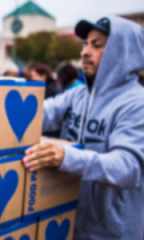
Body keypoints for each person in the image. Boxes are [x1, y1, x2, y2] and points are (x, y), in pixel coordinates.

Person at [22, 16, 144, 239]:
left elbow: (129, 166)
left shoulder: (137, 104)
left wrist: (67, 157)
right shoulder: (78, 94)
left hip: (113, 233)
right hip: (70, 222)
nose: (84, 52)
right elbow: (40, 113)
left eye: (96, 45)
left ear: (123, 53)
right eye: (85, 44)